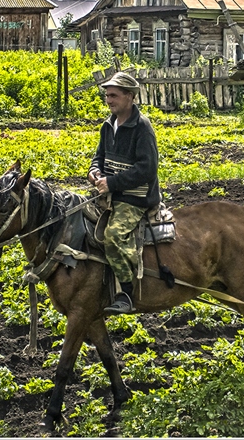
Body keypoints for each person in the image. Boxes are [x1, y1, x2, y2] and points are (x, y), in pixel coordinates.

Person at [89, 71, 161, 315]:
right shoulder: (108, 125)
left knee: (113, 236)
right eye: (107, 95)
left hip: (135, 198)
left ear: (130, 96)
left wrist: (112, 183)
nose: (108, 100)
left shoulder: (142, 128)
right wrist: (94, 172)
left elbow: (147, 169)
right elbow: (98, 157)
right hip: (111, 193)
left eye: (114, 95)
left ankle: (127, 293)